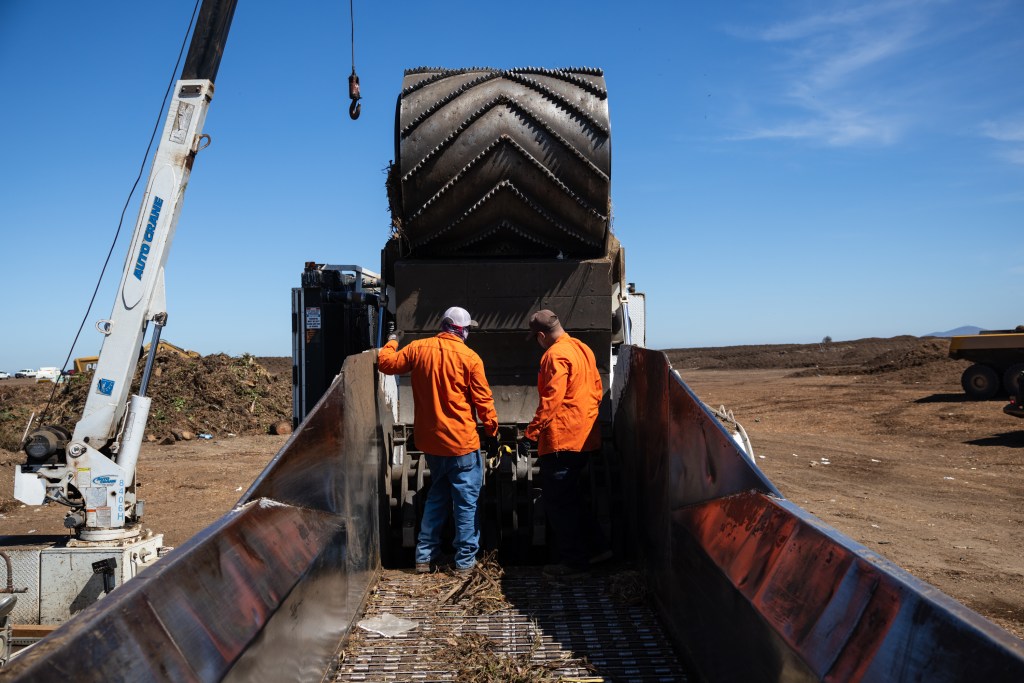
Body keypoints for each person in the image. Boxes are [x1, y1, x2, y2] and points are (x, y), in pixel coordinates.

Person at [378, 306, 499, 574]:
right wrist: (492, 432)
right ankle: (465, 563)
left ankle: (425, 556)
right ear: (462, 330)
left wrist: (392, 341)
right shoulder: (470, 358)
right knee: (465, 503)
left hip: (431, 444)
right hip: (461, 444)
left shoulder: (418, 349)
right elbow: (484, 401)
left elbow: (386, 364)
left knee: (438, 495)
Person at [521, 309, 609, 577]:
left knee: (560, 503)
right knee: (574, 498)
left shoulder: (554, 355)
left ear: (541, 336)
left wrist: (531, 433)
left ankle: (574, 563)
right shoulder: (582, 348)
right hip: (584, 436)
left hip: (562, 439)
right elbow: (597, 390)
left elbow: (552, 399)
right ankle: (598, 549)